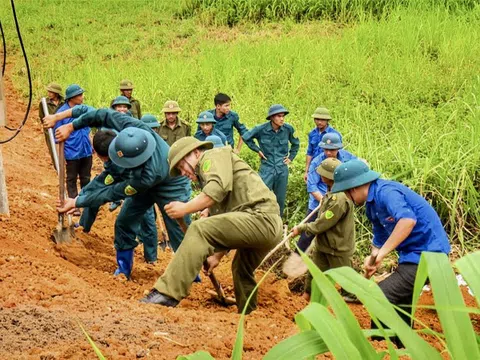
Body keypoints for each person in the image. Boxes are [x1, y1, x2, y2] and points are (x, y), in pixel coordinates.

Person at [140, 137, 283, 314]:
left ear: (195, 152)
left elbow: (216, 190)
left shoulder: (212, 156)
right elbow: (228, 223)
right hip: (267, 225)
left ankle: (166, 293)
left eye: (181, 166)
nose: (183, 172)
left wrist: (184, 208)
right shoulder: (212, 175)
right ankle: (249, 314)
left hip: (260, 218)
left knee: (199, 228)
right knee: (241, 269)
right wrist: (217, 256)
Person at [45, 107, 192, 279]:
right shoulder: (133, 127)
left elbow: (112, 192)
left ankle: (191, 275)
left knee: (178, 230)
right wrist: (71, 126)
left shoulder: (146, 175)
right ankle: (124, 270)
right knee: (124, 222)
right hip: (144, 181)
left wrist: (77, 203)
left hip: (171, 183)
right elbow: (101, 114)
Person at [331, 159, 451, 346]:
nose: (347, 196)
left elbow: (407, 221)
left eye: (347, 191)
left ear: (355, 187)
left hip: (430, 255)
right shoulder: (371, 206)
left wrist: (383, 253)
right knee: (401, 304)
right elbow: (379, 239)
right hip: (411, 257)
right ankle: (403, 348)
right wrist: (372, 259)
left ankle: (382, 348)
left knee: (381, 296)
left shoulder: (387, 192)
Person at [288, 158, 355, 301]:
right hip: (324, 245)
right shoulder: (330, 193)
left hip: (338, 247)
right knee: (314, 273)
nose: (320, 176)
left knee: (348, 284)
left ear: (331, 177)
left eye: (323, 174)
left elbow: (322, 223)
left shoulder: (340, 199)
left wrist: (301, 228)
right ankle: (305, 298)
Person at [297, 133, 357, 253]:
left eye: (332, 150)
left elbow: (357, 166)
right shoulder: (316, 162)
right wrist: (324, 201)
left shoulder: (347, 158)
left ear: (338, 148)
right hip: (318, 203)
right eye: (326, 150)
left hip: (339, 204)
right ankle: (296, 259)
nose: (329, 153)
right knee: (307, 234)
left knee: (335, 233)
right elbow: (312, 186)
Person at [242, 104, 299, 216]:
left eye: (283, 116)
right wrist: (257, 150)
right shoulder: (261, 129)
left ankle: (278, 223)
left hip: (282, 169)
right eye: (279, 116)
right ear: (272, 117)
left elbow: (296, 144)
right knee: (261, 196)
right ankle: (260, 219)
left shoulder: (288, 129)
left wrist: (290, 158)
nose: (282, 119)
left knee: (280, 199)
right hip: (267, 168)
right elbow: (246, 137)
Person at [54, 84, 93, 216]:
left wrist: (91, 145)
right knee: (71, 179)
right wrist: (60, 158)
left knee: (86, 178)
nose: (82, 97)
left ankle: (86, 203)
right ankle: (73, 205)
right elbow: (57, 138)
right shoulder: (61, 114)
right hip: (71, 153)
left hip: (85, 150)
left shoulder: (83, 110)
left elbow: (89, 130)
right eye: (80, 95)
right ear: (72, 98)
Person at [304, 107, 342, 182]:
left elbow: (339, 153)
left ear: (327, 121)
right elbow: (309, 152)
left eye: (322, 120)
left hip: (328, 167)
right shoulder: (312, 133)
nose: (319, 122)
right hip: (314, 166)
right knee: (313, 187)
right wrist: (306, 171)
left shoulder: (334, 134)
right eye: (317, 119)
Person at [39, 82, 64, 169]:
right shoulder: (44, 103)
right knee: (53, 150)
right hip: (50, 130)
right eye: (48, 91)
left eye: (51, 92)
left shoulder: (64, 102)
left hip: (62, 128)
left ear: (56, 93)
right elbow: (42, 117)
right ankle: (58, 169)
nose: (49, 94)